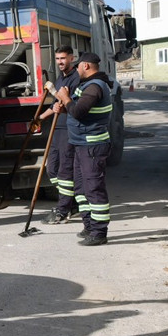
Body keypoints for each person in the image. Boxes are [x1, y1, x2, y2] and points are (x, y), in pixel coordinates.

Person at [54, 52, 114, 246]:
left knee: (93, 188)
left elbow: (79, 112)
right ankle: (89, 225)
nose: (77, 70)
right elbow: (77, 109)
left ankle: (99, 232)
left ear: (86, 66)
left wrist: (64, 97)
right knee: (81, 188)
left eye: (79, 66)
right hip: (81, 144)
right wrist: (63, 108)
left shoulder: (95, 87)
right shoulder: (87, 86)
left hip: (92, 146)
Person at [41, 45, 80, 225]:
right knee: (52, 169)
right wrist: (40, 118)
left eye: (63, 58)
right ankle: (71, 202)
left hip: (68, 128)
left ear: (71, 58)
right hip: (56, 129)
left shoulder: (76, 78)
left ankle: (63, 209)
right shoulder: (60, 78)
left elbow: (70, 103)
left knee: (65, 170)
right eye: (57, 59)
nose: (60, 62)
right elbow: (55, 104)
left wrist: (62, 106)